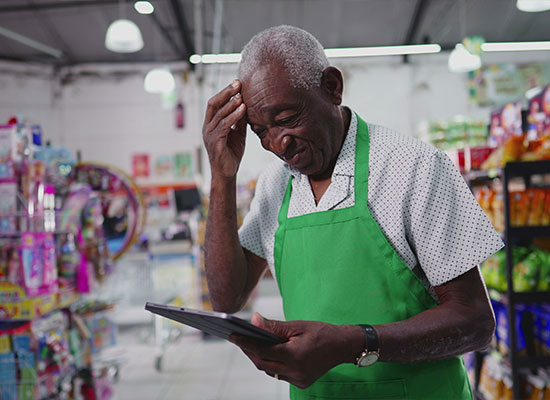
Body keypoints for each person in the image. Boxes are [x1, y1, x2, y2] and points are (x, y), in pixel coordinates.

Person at [202, 25, 504, 400]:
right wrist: (221, 175)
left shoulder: (413, 168)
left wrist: (354, 343)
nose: (278, 143)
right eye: (261, 130)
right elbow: (226, 297)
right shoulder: (274, 187)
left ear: (332, 87)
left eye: (288, 118)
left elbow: (475, 321)